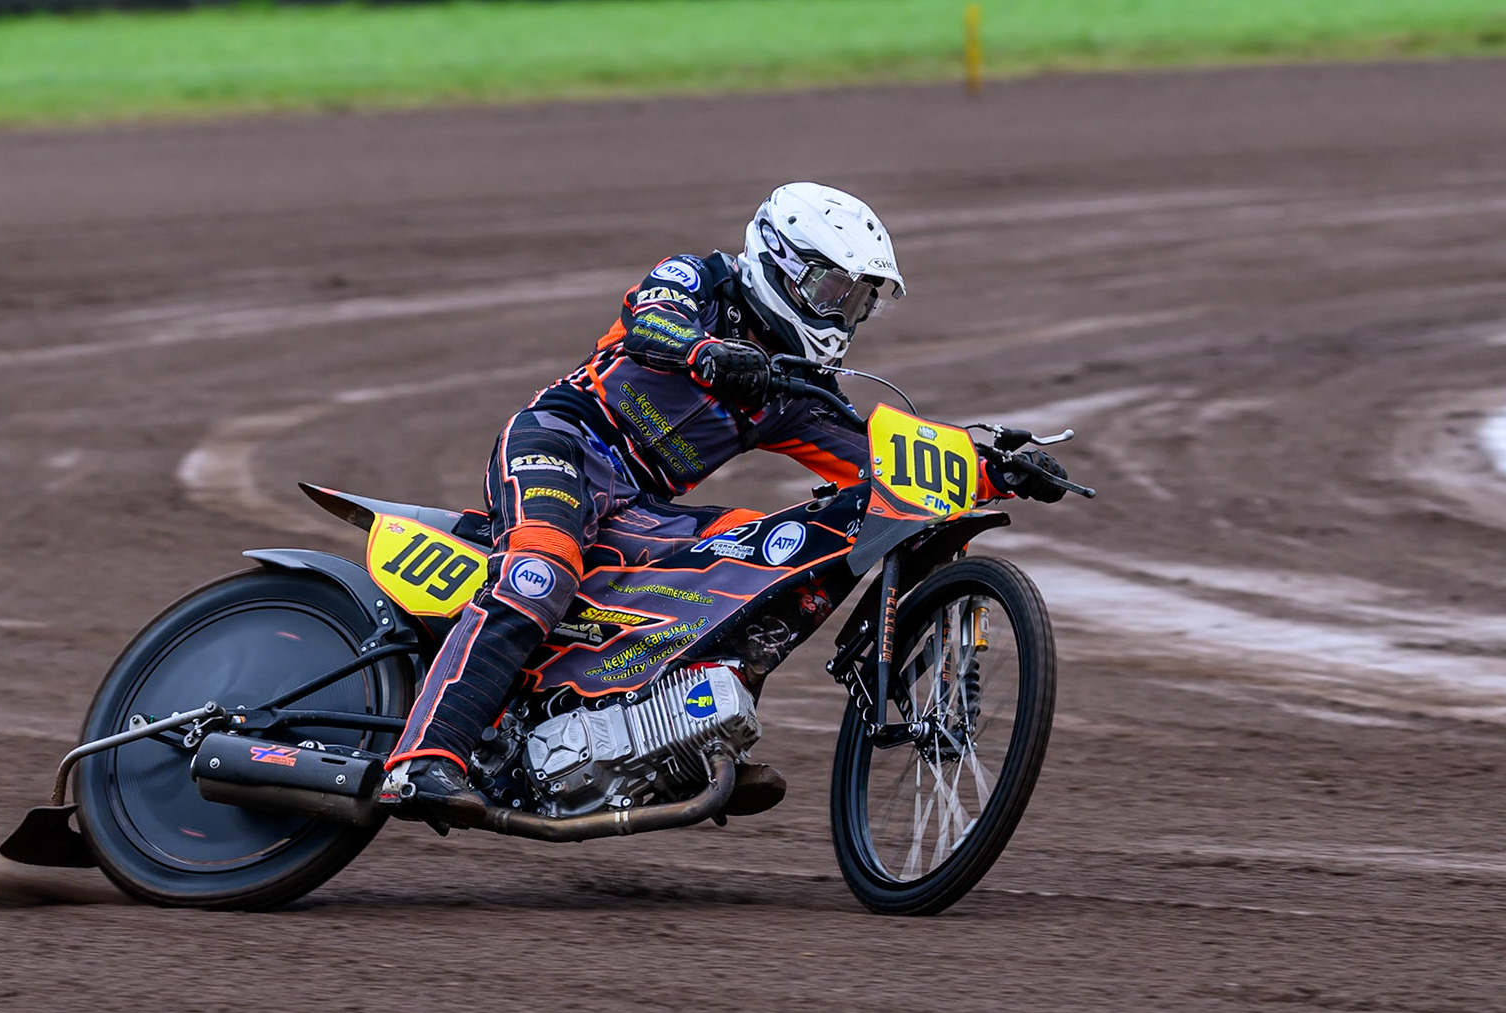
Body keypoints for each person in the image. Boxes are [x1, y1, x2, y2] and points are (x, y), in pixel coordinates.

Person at [380, 181, 1068, 819]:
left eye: (857, 301)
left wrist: (993, 469)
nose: (842, 314)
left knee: (751, 561)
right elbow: (652, 321)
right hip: (559, 444)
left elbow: (880, 461)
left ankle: (684, 740)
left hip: (633, 502)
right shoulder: (699, 279)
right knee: (540, 570)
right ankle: (423, 758)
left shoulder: (790, 393)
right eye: (832, 289)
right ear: (781, 262)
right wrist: (706, 350)